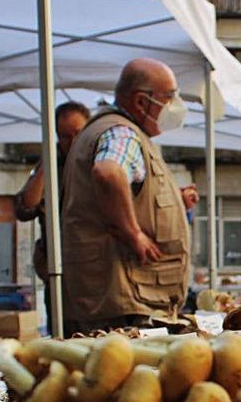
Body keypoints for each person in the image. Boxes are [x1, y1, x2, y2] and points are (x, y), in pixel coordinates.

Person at [59, 58, 192, 334]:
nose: (175, 105)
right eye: (169, 97)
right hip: (125, 299)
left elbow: (128, 188)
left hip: (123, 295)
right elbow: (108, 173)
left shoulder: (119, 131)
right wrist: (133, 233)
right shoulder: (122, 133)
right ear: (141, 102)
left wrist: (174, 201)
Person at [13, 101, 90, 326]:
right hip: (59, 277)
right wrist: (47, 163)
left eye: (78, 134)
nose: (73, 142)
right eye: (65, 136)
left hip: (93, 276)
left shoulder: (101, 161)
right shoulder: (50, 165)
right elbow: (25, 207)